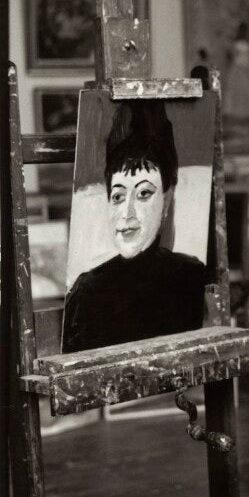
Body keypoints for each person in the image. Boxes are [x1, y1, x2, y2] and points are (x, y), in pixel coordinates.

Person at [62, 103, 208, 352]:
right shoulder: (87, 293)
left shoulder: (192, 277)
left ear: (166, 200)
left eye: (143, 193)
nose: (127, 213)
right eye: (118, 196)